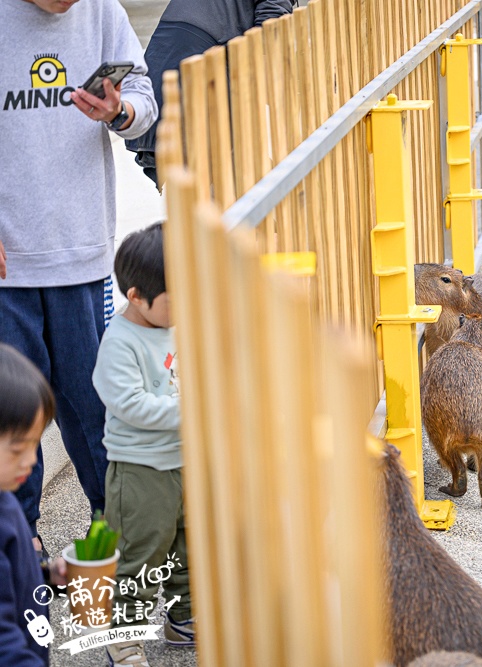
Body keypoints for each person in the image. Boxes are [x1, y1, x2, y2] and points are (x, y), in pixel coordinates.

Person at [0, 0, 157, 561]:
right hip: (7, 268)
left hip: (83, 253)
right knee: (14, 420)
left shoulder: (101, 12)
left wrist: (119, 112)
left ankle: (111, 539)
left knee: (94, 413)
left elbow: (144, 100)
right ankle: (20, 548)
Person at [92, 223, 190, 667]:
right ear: (136, 296)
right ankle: (124, 635)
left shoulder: (174, 325)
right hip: (141, 470)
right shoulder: (120, 343)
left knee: (189, 545)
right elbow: (130, 404)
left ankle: (184, 616)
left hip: (183, 460)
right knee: (140, 553)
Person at [126, 0, 294, 185]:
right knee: (220, 178)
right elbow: (270, 28)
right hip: (202, 52)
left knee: (206, 178)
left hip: (175, 43)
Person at [0, 344, 65, 667]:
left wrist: (47, 576)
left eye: (35, 444)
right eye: (17, 449)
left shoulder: (6, 499)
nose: (30, 461)